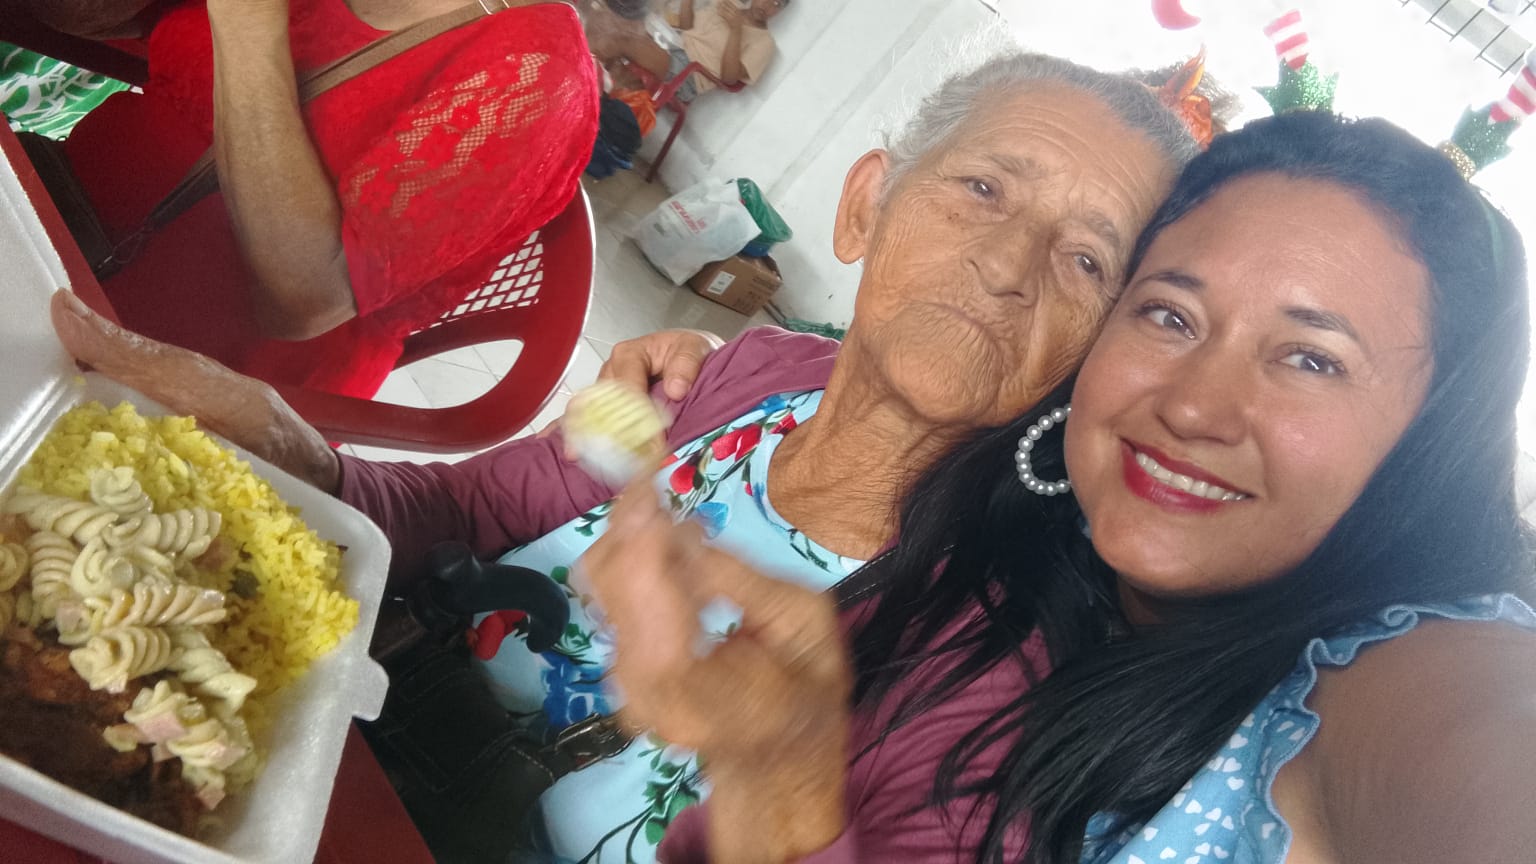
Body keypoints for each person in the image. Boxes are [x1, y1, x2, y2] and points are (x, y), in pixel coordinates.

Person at [48, 51, 1198, 863]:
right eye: (983, 189)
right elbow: (462, 514)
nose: (1008, 266)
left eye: (1087, 261)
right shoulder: (752, 376)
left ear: (1103, 357)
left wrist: (787, 784)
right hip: (284, 767)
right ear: (868, 203)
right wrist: (287, 443)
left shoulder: (1000, 667)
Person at [582, 110, 1536, 863]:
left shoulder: (1412, 688)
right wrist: (713, 382)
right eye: (1169, 314)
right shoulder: (996, 543)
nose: (1193, 407)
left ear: (1429, 443)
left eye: (1312, 359)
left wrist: (784, 777)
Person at [24, 0, 599, 399]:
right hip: (51, 215)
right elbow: (78, 17)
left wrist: (247, 24)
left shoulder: (542, 73)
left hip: (184, 364)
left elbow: (300, 298)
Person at [584, 0, 784, 101]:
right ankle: (585, 83)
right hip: (673, 44)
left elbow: (729, 79)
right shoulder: (729, 4)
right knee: (606, 18)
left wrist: (736, 30)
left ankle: (579, 78)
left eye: (777, 4)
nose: (767, 5)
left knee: (621, 38)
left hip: (690, 73)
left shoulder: (765, 43)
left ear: (780, 11)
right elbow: (688, 27)